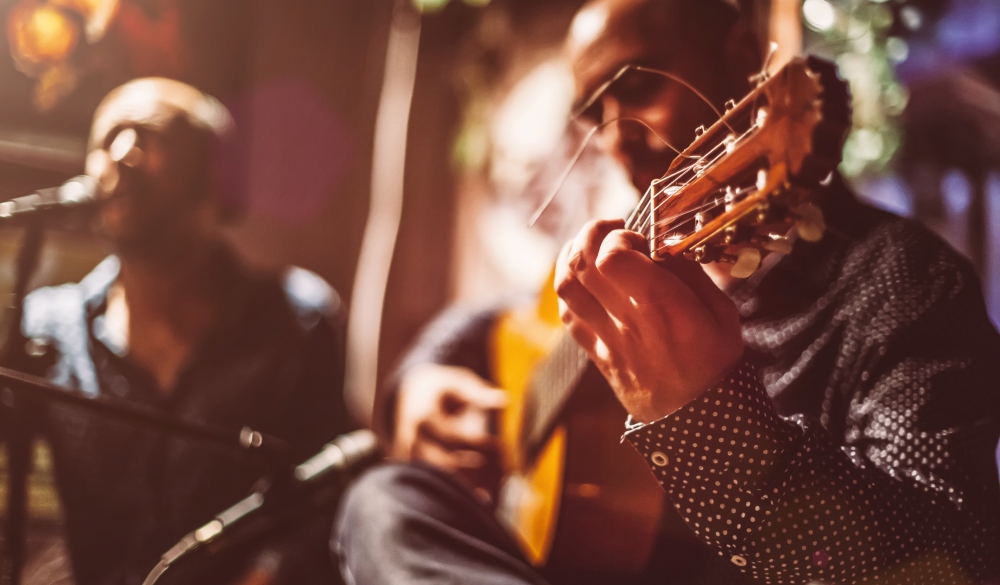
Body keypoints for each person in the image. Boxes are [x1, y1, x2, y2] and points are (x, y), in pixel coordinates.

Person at [334, 0, 1000, 584]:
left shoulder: (901, 282)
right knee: (383, 500)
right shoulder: (629, 259)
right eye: (595, 110)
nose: (617, 132)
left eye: (640, 84)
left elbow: (950, 564)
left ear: (742, 58)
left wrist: (712, 421)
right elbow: (492, 317)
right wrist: (418, 383)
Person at [18, 78, 351, 585]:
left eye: (151, 138)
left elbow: (329, 490)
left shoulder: (296, 320)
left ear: (219, 177)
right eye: (108, 140)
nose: (123, 155)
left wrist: (270, 572)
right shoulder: (48, 326)